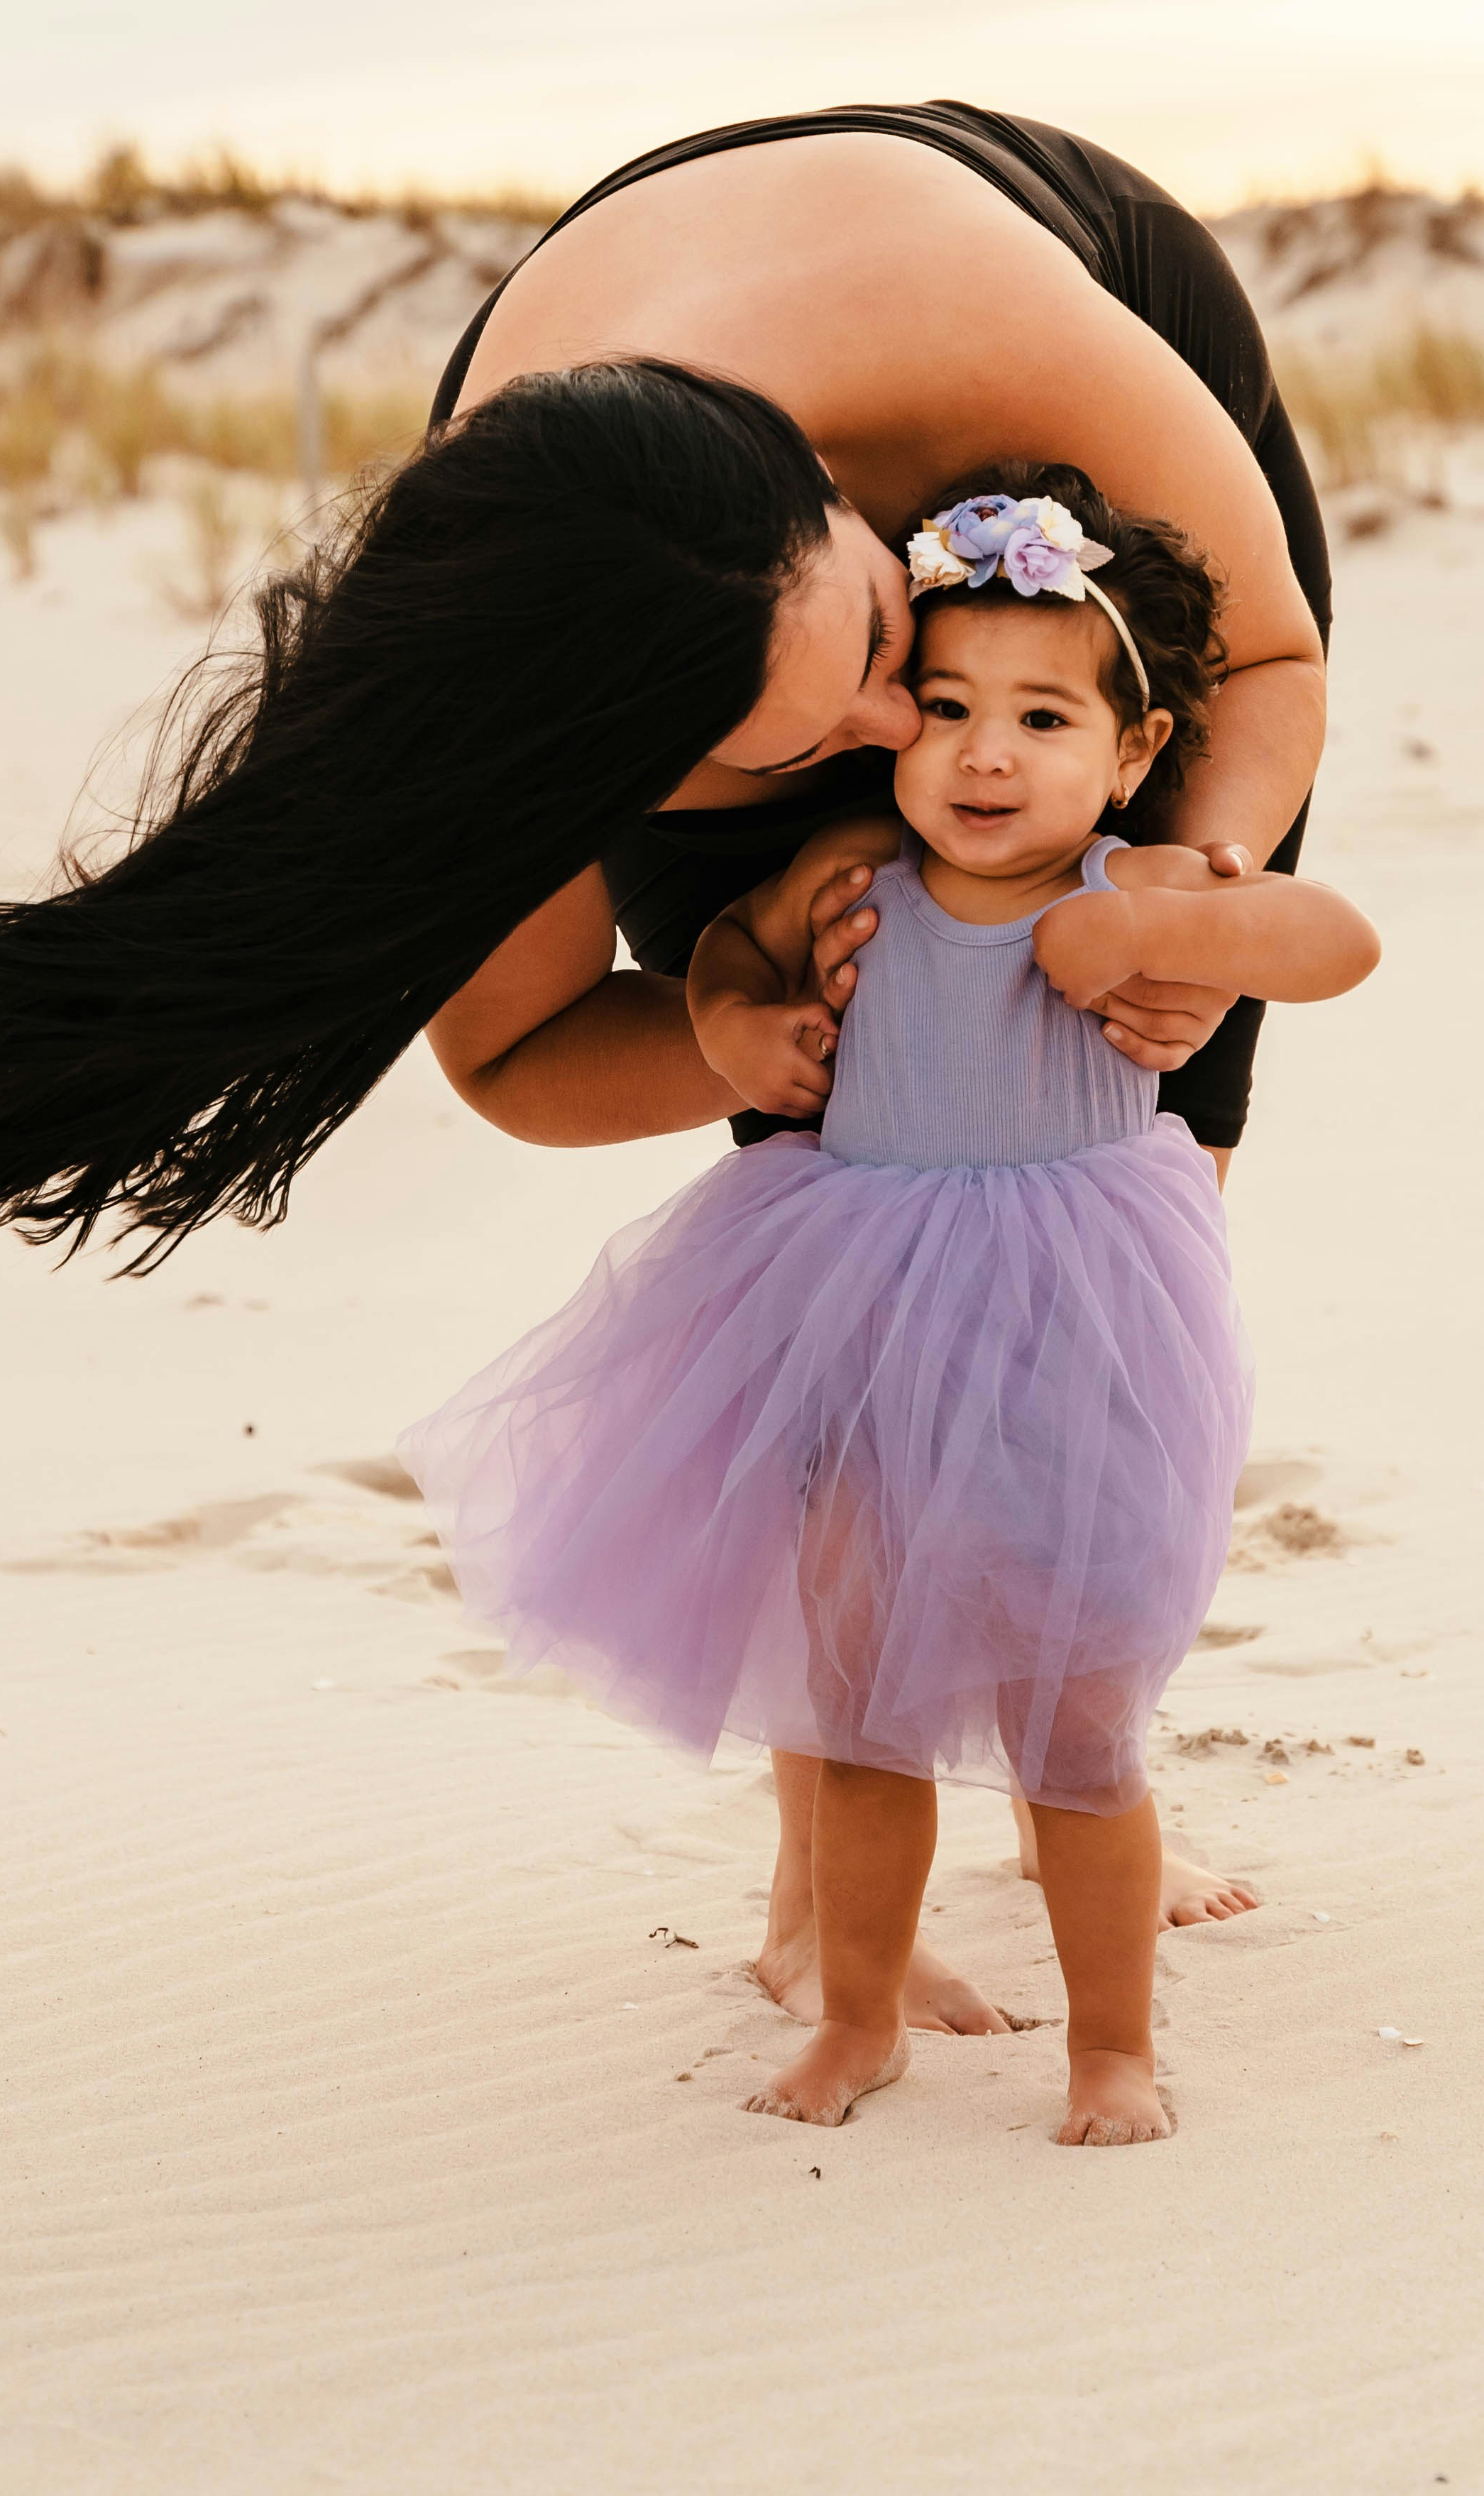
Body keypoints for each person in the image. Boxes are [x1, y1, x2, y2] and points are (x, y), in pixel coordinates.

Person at [0, 99, 1332, 2019]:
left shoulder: (999, 357)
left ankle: (1088, 1748)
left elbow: (1276, 663)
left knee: (1115, 1176)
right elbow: (526, 1050)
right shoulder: (542, 645)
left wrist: (1197, 907)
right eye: (823, 737)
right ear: (623, 770)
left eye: (887, 636)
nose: (906, 739)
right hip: (696, 574)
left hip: (1042, 308)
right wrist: (729, 1029)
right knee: (836, 1177)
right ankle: (828, 1862)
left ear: (839, 512)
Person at [401, 472, 1378, 2144]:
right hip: (851, 1307)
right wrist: (732, 1033)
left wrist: (1181, 911)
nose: (983, 756)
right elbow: (722, 947)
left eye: (1040, 716)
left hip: (1072, 1327)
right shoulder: (856, 867)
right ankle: (857, 2014)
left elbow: (1332, 941)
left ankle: (1108, 2048)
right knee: (855, 1698)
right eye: (943, 708)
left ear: (1131, 750)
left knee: (1076, 1721)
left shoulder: (1127, 875)